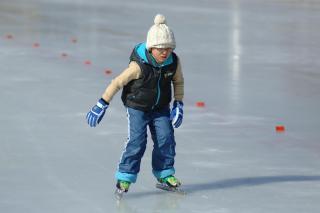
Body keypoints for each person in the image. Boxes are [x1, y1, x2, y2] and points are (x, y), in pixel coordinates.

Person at [86, 14, 184, 194]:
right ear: (150, 47)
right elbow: (117, 82)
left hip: (160, 108)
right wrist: (102, 103)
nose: (165, 52)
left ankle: (164, 173)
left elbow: (178, 82)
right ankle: (124, 176)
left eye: (168, 48)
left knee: (166, 138)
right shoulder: (138, 66)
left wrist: (179, 103)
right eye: (160, 48)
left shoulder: (173, 62)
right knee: (137, 141)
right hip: (137, 106)